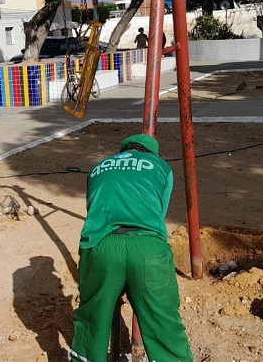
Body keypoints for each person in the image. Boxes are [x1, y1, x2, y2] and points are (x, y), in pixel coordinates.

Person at [70, 134, 193, 362]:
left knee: (92, 319)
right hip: (147, 249)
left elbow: (95, 207)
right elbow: (159, 211)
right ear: (151, 153)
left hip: (101, 247)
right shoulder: (161, 167)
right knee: (162, 321)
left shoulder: (98, 168)